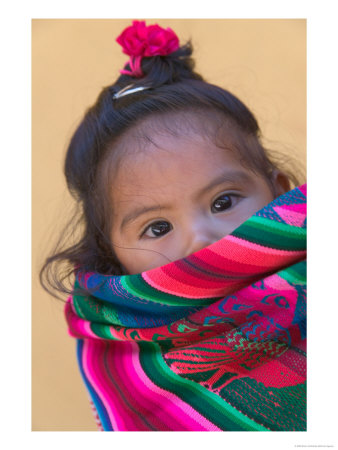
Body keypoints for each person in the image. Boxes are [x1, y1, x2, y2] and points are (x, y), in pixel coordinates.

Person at [40, 20, 306, 431]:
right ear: (112, 255)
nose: (200, 238)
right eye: (158, 228)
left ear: (280, 192)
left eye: (223, 201)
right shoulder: (126, 362)